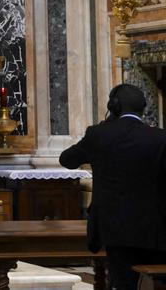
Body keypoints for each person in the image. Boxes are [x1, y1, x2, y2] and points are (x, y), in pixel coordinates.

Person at [60, 84, 166, 290]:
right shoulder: (160, 137)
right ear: (143, 108)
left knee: (122, 282)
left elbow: (67, 160)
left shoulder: (98, 134)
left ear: (113, 106)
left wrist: (105, 126)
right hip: (155, 226)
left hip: (114, 227)